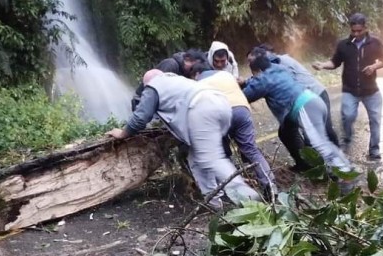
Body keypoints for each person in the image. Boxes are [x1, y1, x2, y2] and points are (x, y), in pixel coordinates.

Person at [109, 69, 261, 208]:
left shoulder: (153, 85)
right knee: (196, 158)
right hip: (221, 104)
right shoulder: (177, 81)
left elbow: (141, 117)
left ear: (147, 83)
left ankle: (248, 198)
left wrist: (123, 133)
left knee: (211, 158)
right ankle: (214, 202)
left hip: (202, 107)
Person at [243, 55, 353, 182]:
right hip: (314, 100)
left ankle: (344, 173)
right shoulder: (278, 69)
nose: (255, 77)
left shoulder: (264, 80)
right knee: (308, 137)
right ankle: (337, 170)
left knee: (320, 144)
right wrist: (247, 81)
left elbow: (247, 94)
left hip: (305, 107)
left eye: (254, 74)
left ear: (259, 71)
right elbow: (255, 82)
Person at [192, 63, 277, 199]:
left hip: (219, 114)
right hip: (241, 110)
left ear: (197, 73)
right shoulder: (226, 75)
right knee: (250, 149)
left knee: (223, 154)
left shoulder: (198, 83)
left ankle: (235, 190)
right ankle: (270, 184)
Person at [313, 13, 383, 160]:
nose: (356, 34)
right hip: (350, 90)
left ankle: (374, 150)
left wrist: (374, 66)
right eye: (353, 31)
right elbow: (335, 62)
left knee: (375, 120)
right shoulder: (343, 45)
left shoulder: (375, 43)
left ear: (365, 28)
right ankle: (347, 141)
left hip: (371, 90)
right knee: (347, 116)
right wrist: (322, 65)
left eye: (359, 31)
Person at [255, 44, 339, 146]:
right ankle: (304, 160)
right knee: (286, 132)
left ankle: (336, 156)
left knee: (324, 130)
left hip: (316, 94)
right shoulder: (269, 69)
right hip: (301, 101)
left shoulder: (282, 62)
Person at [131, 49, 206, 110]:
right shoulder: (171, 64)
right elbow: (157, 88)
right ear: (188, 59)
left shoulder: (186, 72)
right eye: (194, 66)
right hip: (143, 99)